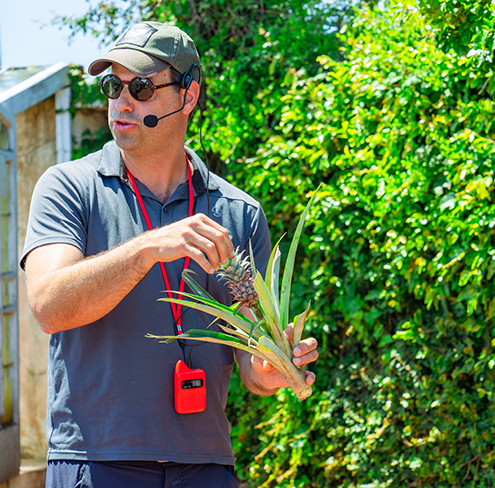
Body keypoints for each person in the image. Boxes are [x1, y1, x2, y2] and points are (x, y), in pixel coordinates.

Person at [21, 21, 319, 488]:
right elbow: (49, 306)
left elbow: (250, 363)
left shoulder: (238, 212)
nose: (121, 101)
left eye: (140, 87)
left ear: (188, 95)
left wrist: (272, 367)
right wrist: (144, 250)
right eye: (112, 85)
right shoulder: (68, 188)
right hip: (97, 463)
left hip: (206, 466)